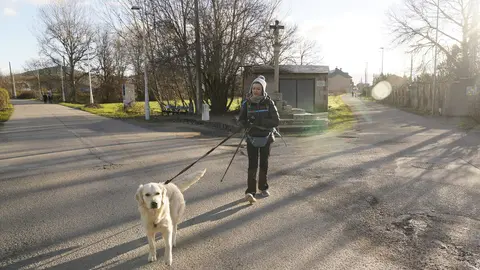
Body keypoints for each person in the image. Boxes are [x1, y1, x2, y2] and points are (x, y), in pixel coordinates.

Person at [238, 75, 280, 203]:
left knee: (263, 164)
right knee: (252, 165)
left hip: (266, 138)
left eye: (258, 89)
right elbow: (241, 120)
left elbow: (276, 120)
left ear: (263, 90)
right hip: (251, 138)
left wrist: (259, 121)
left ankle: (263, 188)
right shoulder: (246, 103)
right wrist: (247, 124)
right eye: (254, 88)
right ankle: (250, 191)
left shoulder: (269, 102)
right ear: (251, 89)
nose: (255, 91)